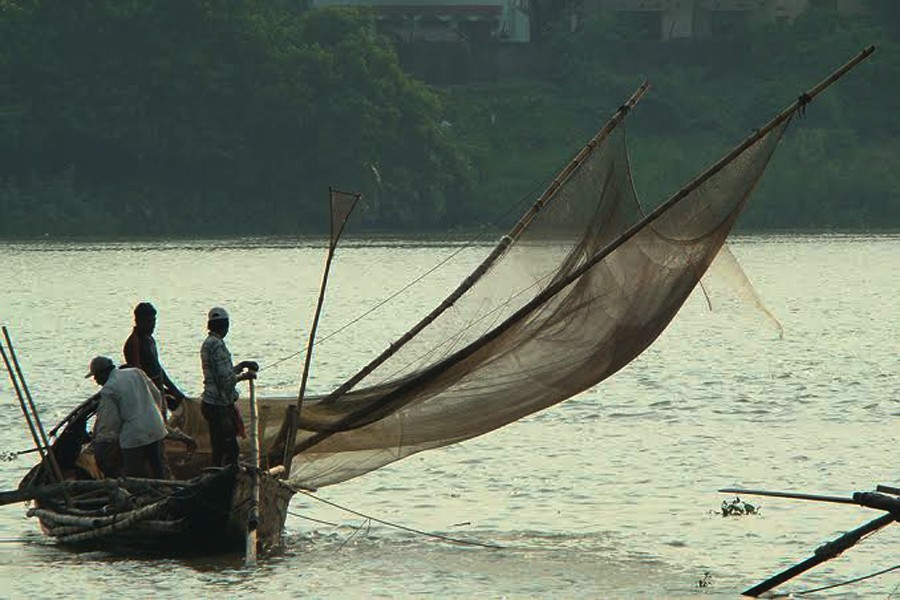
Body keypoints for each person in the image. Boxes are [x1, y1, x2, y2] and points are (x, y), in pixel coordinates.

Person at [85, 355, 171, 479]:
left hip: (134, 436)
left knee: (135, 475)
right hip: (156, 427)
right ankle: (165, 490)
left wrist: (102, 442)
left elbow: (111, 423)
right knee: (159, 467)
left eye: (96, 376)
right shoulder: (136, 372)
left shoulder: (109, 389)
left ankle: (140, 496)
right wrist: (153, 415)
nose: (96, 381)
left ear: (103, 373)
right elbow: (156, 394)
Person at [200, 307, 258, 467]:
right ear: (225, 326)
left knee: (218, 449)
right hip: (218, 406)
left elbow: (221, 373)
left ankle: (216, 477)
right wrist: (245, 376)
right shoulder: (217, 345)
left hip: (210, 403)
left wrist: (242, 365)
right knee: (231, 450)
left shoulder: (209, 343)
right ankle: (225, 482)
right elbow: (226, 380)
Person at [123, 301, 186, 414]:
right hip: (147, 399)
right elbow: (138, 377)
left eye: (153, 320)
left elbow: (158, 368)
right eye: (148, 321)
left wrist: (173, 390)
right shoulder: (134, 343)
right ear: (138, 321)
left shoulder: (150, 340)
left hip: (159, 392)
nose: (152, 324)